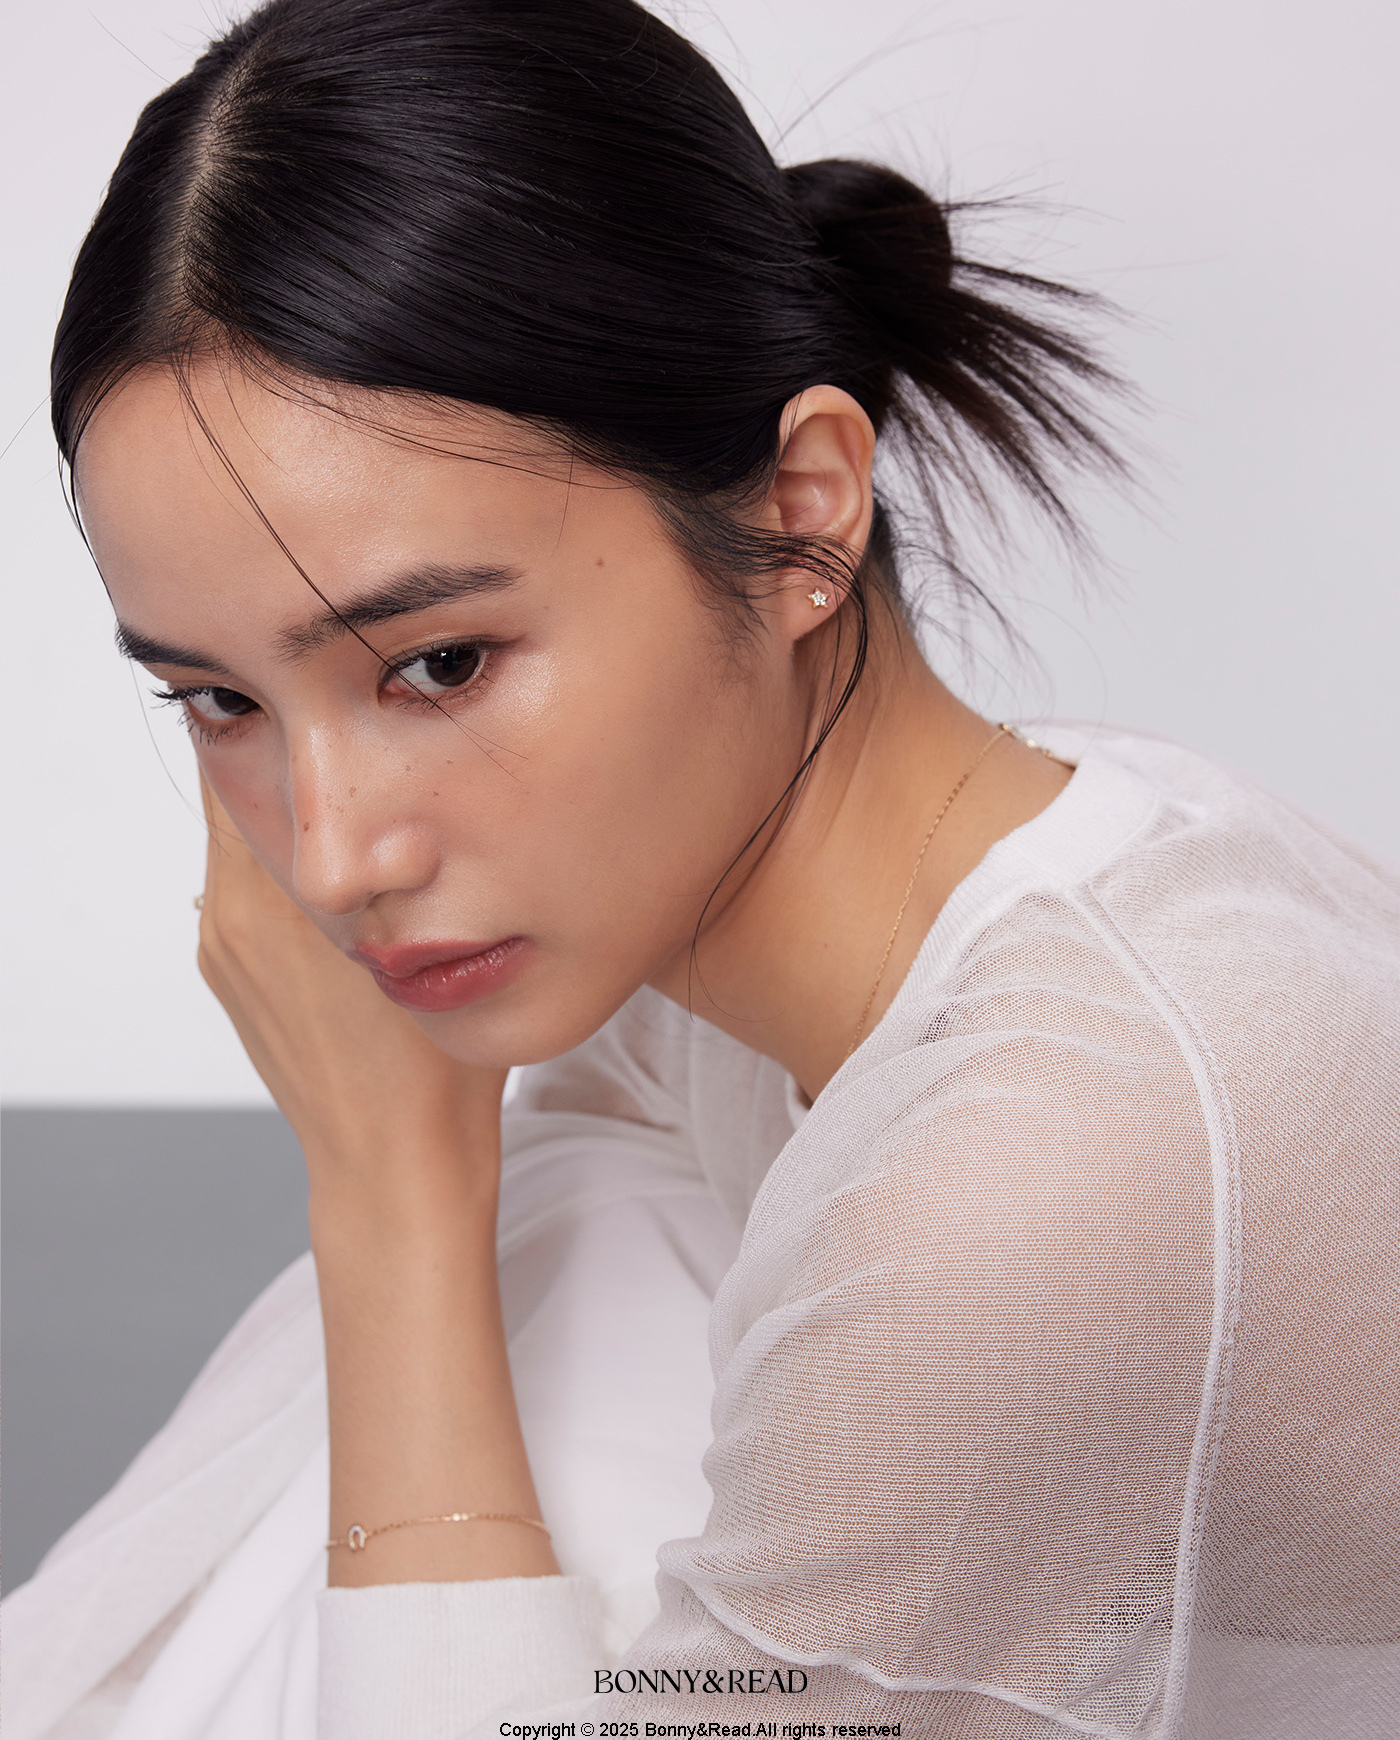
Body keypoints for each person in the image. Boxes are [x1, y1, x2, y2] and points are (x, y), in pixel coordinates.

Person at [5, 0, 1398, 1735]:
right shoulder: (839, 910)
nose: (335, 854)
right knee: (584, 1237)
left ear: (805, 510)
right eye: (219, 700)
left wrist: (393, 1203)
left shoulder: (1036, 1186)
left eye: (439, 663)